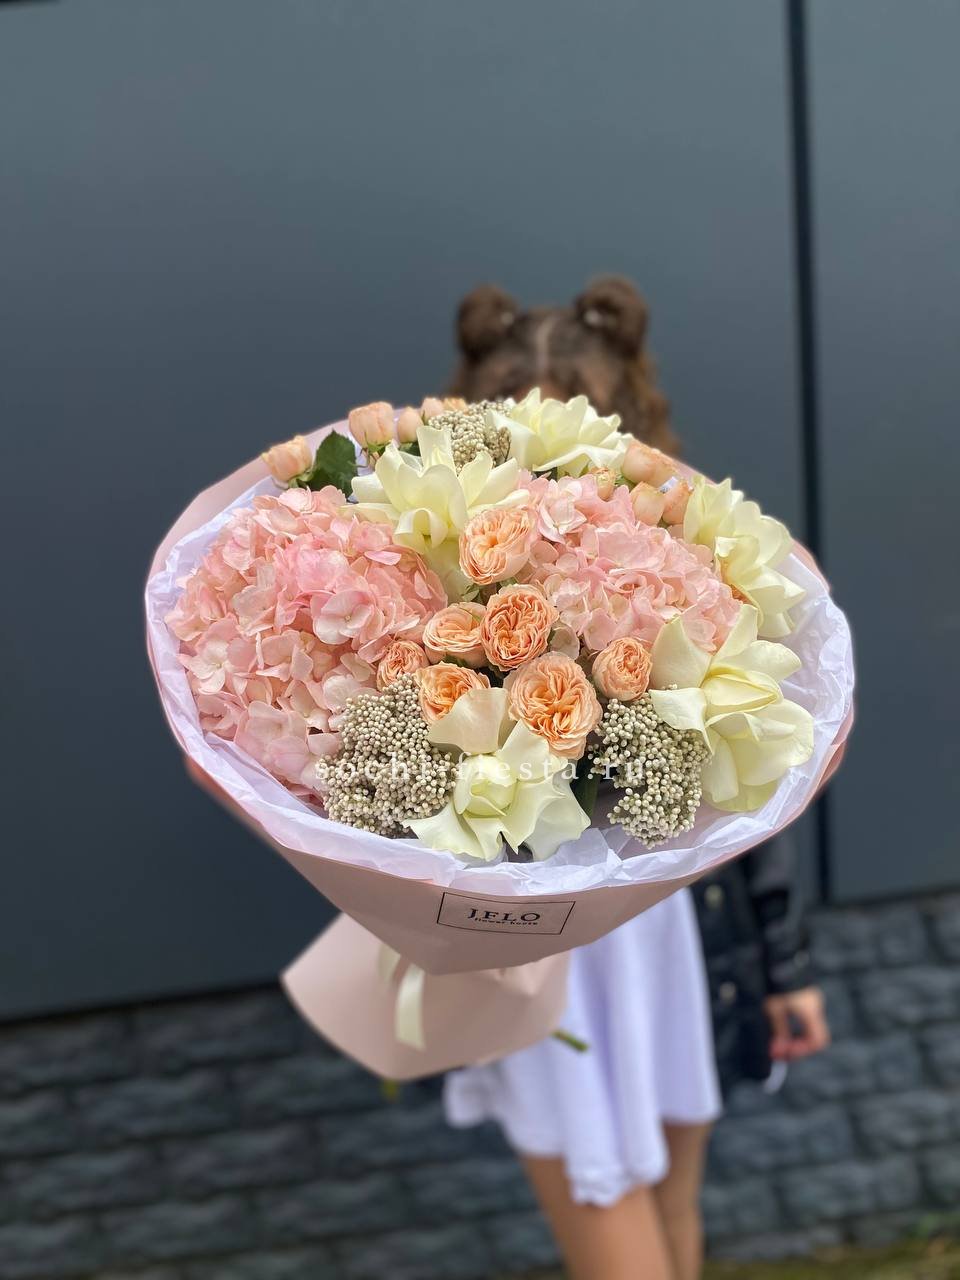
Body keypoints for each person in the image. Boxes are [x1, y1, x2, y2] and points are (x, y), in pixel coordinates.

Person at [442, 277, 830, 1280]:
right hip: (532, 948)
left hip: (670, 932)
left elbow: (750, 771)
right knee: (617, 1232)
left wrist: (785, 963)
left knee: (674, 1212)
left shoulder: (685, 552)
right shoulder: (431, 569)